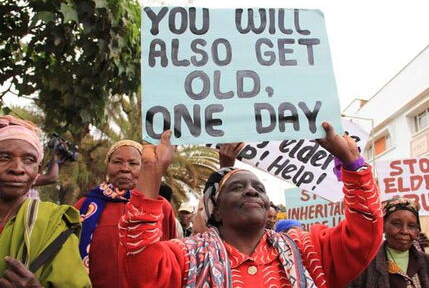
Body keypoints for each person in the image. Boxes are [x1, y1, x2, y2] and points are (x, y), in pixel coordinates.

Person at [119, 123, 384, 288]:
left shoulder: (307, 250)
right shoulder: (184, 257)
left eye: (259, 188)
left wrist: (351, 163)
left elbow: (364, 233)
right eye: (236, 187)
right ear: (216, 209)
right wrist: (150, 176)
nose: (251, 190)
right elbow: (140, 265)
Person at [0, 115, 91, 288]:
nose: (18, 169)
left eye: (29, 160)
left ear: (37, 171)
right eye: (4, 157)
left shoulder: (53, 223)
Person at [75, 139, 177, 288]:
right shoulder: (84, 206)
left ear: (143, 167)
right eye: (117, 162)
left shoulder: (160, 207)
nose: (125, 168)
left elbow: (171, 257)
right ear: (107, 166)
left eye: (133, 163)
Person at [346, 197, 429, 288]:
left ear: (417, 231)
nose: (404, 231)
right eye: (396, 224)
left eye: (411, 226)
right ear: (383, 226)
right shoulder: (365, 265)